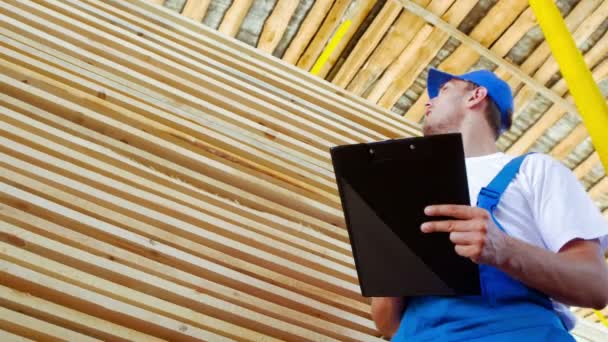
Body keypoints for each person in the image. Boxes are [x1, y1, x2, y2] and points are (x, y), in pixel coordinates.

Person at [370, 68, 608, 341]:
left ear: (476, 95)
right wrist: (391, 266)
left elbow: (595, 286)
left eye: (444, 90)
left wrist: (503, 249)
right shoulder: (408, 191)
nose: (427, 102)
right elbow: (387, 324)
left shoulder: (532, 170)